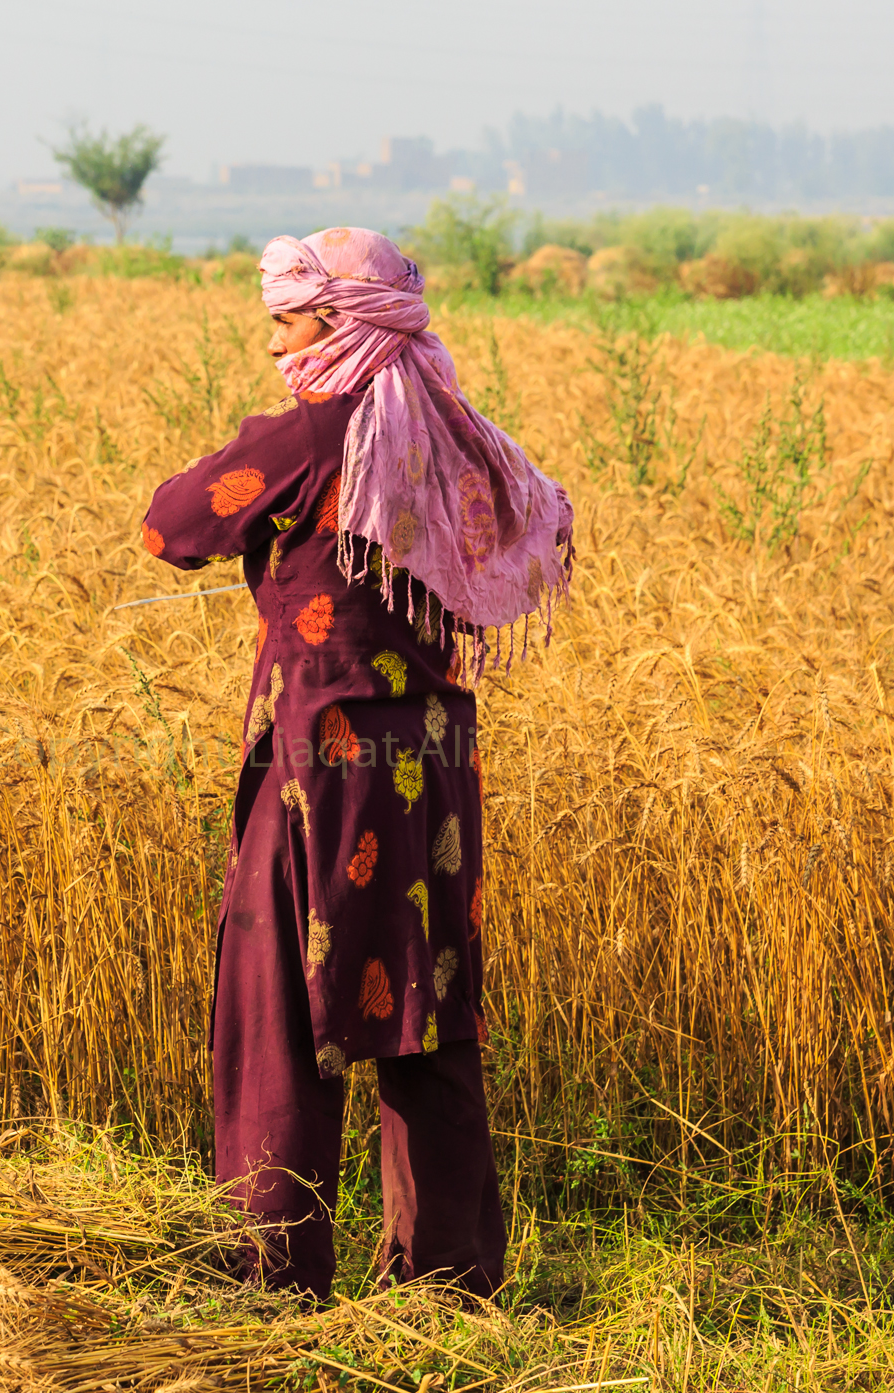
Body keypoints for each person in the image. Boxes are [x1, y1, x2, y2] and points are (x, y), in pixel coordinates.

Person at [140, 227, 574, 1302]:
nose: (275, 342)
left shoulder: (315, 434)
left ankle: (270, 1273)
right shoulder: (453, 432)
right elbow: (546, 530)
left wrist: (266, 480)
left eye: (287, 319)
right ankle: (446, 1281)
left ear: (340, 323)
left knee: (278, 1006)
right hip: (430, 761)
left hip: (321, 762)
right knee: (427, 1008)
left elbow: (172, 526)